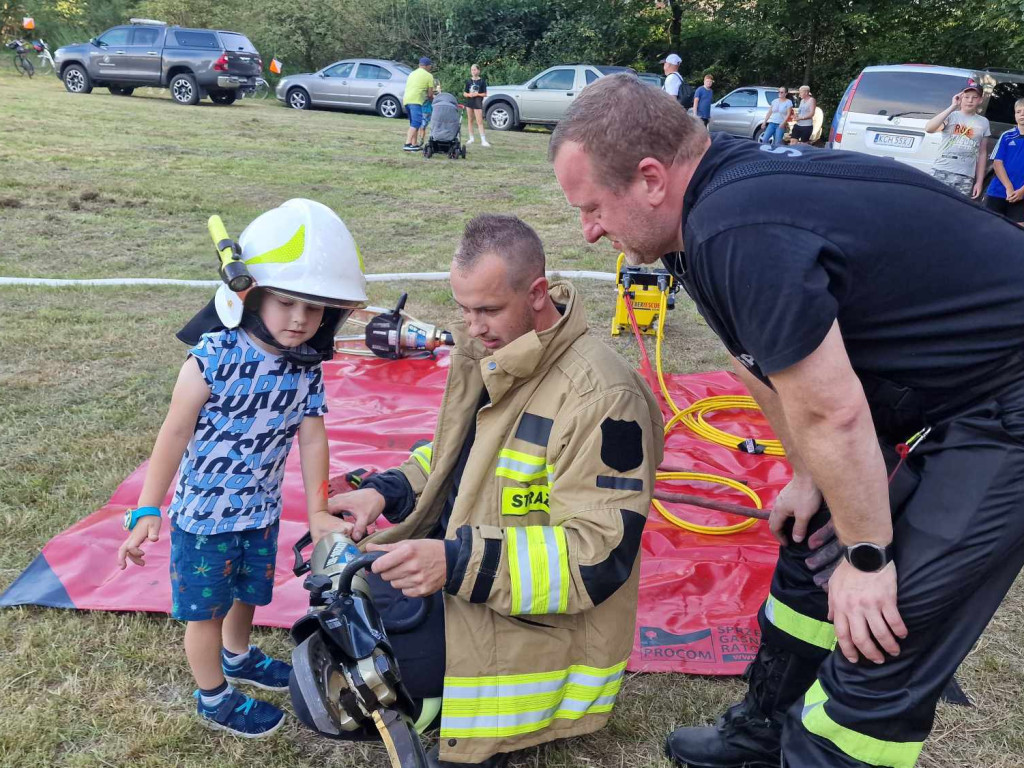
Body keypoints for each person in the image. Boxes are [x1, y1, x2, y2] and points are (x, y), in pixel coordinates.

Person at [550, 73, 1024, 768]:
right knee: (810, 539)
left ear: (651, 178)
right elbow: (763, 362)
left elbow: (833, 411)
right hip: (950, 387)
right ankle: (763, 732)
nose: (589, 231)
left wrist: (868, 557)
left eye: (593, 208)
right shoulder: (697, 218)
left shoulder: (740, 228)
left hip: (1007, 398)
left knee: (888, 627)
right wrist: (807, 475)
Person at [328, 214, 663, 768]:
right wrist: (386, 492)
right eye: (464, 309)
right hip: (476, 573)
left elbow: (598, 555)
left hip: (531, 618)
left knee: (376, 665)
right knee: (346, 612)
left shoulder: (602, 398)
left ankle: (456, 708)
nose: (472, 326)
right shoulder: (502, 352)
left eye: (487, 310)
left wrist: (454, 564)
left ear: (536, 293)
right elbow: (457, 452)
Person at [115, 199, 368, 737]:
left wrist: (319, 509)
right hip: (205, 521)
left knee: (247, 596)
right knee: (205, 612)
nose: (301, 319)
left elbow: (313, 434)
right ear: (249, 295)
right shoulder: (212, 356)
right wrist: (146, 508)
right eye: (286, 302)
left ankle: (239, 656)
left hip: (258, 512)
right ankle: (213, 695)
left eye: (315, 308)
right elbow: (174, 435)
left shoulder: (305, 369)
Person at [925, 79, 991, 198]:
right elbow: (929, 128)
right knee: (933, 206)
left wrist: (979, 181)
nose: (970, 100)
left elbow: (982, 153)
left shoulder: (984, 122)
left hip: (965, 176)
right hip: (941, 170)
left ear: (980, 100)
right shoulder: (951, 116)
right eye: (966, 97)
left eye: (974, 97)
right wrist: (952, 106)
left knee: (957, 211)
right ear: (960, 98)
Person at [984, 97, 1024, 223]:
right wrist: (1008, 187)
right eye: (1018, 111)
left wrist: (1022, 191)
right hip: (999, 190)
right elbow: (997, 163)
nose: (1022, 114)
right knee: (988, 225)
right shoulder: (1007, 136)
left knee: (1017, 232)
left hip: (1021, 194)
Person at [403, 57, 435, 152]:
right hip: (416, 101)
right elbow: (430, 94)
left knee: (413, 123)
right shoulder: (429, 76)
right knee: (417, 123)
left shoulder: (411, 73)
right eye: (430, 66)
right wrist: (432, 100)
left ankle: (414, 144)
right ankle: (407, 143)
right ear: (427, 66)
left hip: (406, 100)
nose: (430, 67)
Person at [463, 64, 490, 147]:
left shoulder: (482, 81)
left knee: (479, 121)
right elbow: (464, 93)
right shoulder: (468, 81)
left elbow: (485, 94)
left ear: (478, 71)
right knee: (470, 120)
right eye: (472, 70)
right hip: (469, 102)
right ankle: (471, 138)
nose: (473, 71)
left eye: (475, 70)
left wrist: (477, 94)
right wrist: (468, 95)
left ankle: (483, 140)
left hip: (477, 102)